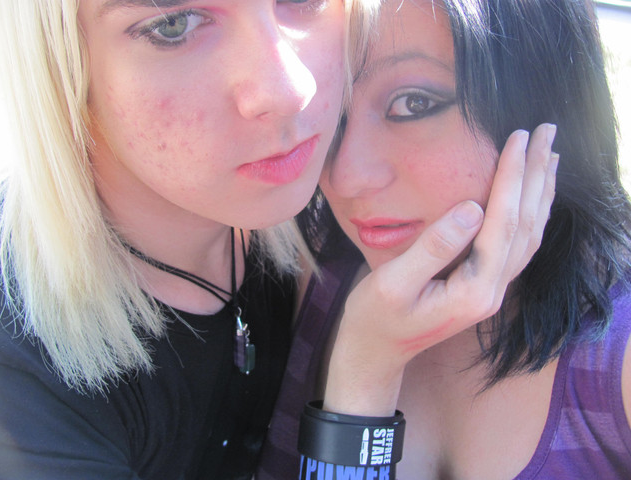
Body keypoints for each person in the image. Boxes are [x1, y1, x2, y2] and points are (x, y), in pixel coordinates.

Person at [259, 0, 631, 478]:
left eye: (414, 104)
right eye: (333, 111)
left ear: (548, 100)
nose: (346, 177)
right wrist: (364, 370)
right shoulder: (294, 270)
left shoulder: (617, 362)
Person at [0, 0, 356, 478]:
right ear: (59, 61)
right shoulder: (11, 367)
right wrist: (362, 391)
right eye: (173, 25)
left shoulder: (354, 195)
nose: (291, 89)